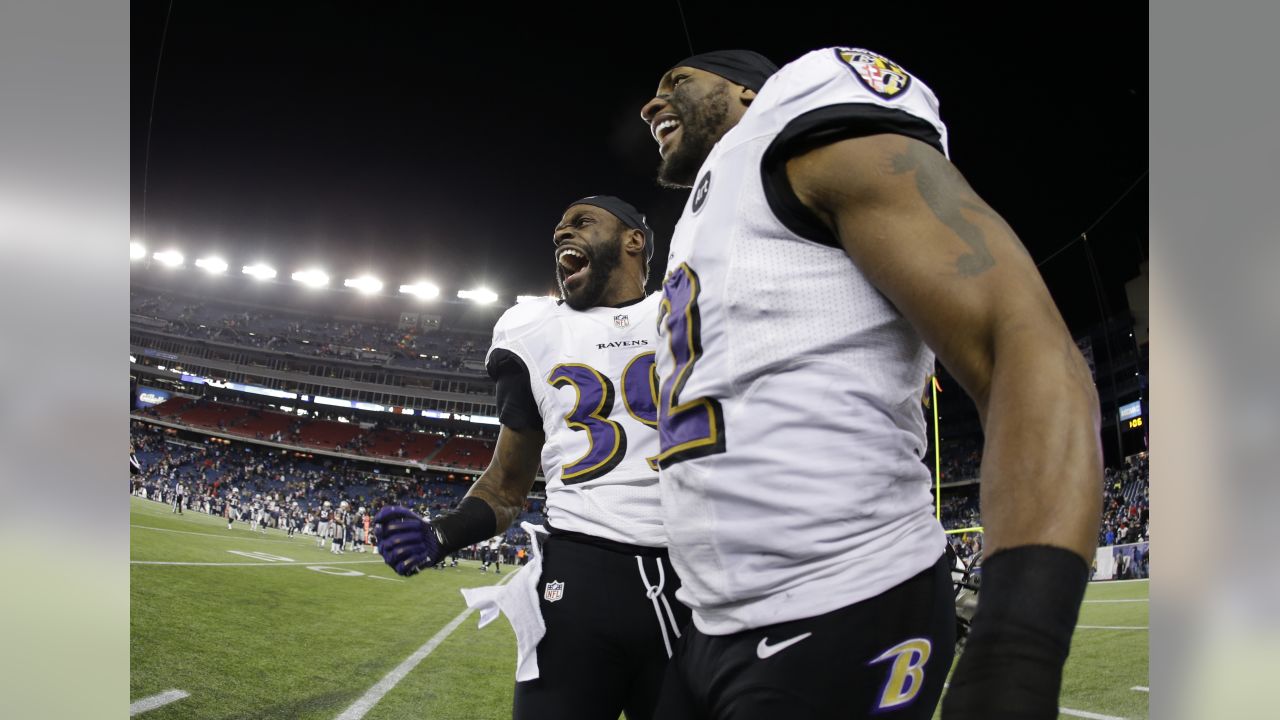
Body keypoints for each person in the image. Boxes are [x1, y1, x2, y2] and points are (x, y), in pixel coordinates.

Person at [637, 48, 1102, 719]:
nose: (652, 104)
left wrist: (1016, 649)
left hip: (842, 606)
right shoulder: (706, 217)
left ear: (746, 91)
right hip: (708, 624)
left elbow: (1017, 339)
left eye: (676, 81)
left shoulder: (801, 120)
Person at [374, 196, 691, 720]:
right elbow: (506, 487)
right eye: (559, 228)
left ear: (635, 239)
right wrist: (441, 534)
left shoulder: (685, 313)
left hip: (693, 580)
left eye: (582, 221)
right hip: (581, 577)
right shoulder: (534, 329)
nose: (562, 233)